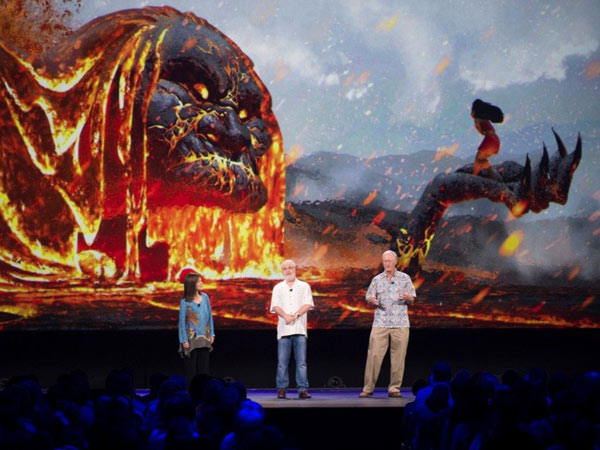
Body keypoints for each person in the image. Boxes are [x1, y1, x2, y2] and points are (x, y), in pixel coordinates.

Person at [359, 250, 416, 398]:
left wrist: (408, 297)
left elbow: (412, 299)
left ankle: (394, 388)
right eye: (385, 261)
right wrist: (372, 301)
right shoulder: (377, 279)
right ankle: (368, 388)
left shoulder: (404, 278)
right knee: (374, 355)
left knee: (398, 357)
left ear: (396, 262)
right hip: (381, 322)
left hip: (400, 323)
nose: (387, 264)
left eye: (390, 261)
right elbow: (369, 297)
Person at [269, 259, 314, 399]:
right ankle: (282, 389)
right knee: (282, 362)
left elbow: (308, 304)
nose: (288, 270)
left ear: (295, 269)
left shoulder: (304, 286)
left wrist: (295, 315)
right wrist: (285, 316)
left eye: (290, 268)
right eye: (285, 268)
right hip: (284, 330)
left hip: (300, 329)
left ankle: (302, 389)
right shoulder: (278, 288)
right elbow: (275, 306)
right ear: (282, 271)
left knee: (301, 362)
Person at [178, 272, 215, 380]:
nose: (201, 283)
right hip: (191, 339)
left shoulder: (205, 297)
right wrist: (184, 340)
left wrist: (212, 333)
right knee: (191, 370)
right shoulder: (185, 301)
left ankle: (204, 388)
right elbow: (182, 322)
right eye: (199, 281)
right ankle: (191, 389)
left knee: (204, 368)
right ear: (192, 284)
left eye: (201, 281)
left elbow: (210, 316)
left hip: (204, 338)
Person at [471, 98, 504, 179]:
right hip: (495, 139)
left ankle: (473, 177)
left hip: (489, 139)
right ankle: (491, 177)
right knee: (481, 159)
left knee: (478, 159)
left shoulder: (477, 119)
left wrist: (476, 124)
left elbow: (481, 131)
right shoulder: (485, 119)